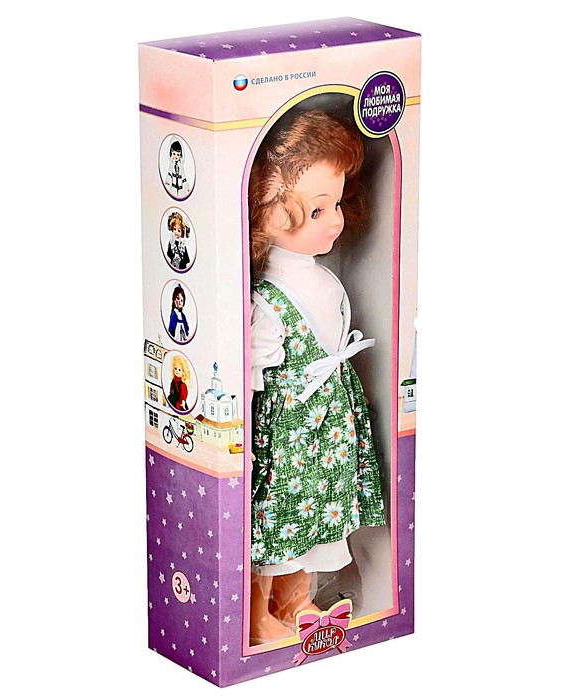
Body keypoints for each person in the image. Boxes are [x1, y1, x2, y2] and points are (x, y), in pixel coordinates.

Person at [248, 110, 386, 645]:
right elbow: (255, 371)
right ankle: (258, 610)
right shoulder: (268, 296)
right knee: (279, 518)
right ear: (269, 209)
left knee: (320, 516)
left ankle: (296, 599)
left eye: (337, 204)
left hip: (327, 428)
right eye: (317, 209)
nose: (334, 221)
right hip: (290, 430)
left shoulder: (323, 279)